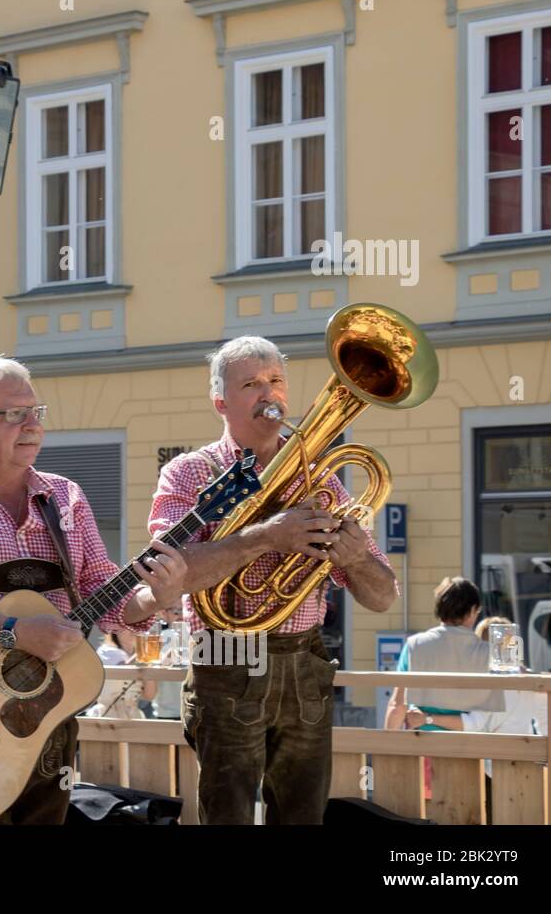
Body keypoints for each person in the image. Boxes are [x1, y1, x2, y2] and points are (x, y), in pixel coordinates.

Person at [0, 354, 187, 825]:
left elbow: (104, 594)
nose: (32, 424)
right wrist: (15, 632)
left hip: (49, 721)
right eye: (14, 413)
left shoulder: (65, 496)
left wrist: (158, 596)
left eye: (36, 412)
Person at [150, 336, 399, 825]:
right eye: (251, 384)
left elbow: (383, 596)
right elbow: (172, 573)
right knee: (229, 816)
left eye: (276, 381)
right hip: (224, 657)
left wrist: (357, 559)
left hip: (303, 659)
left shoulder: (322, 478)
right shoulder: (188, 472)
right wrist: (266, 537)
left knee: (304, 815)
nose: (269, 394)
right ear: (220, 401)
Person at [384, 577, 504, 731]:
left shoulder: (414, 645)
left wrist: (388, 749)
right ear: (473, 611)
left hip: (423, 745)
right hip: (469, 747)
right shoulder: (489, 653)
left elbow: (397, 706)